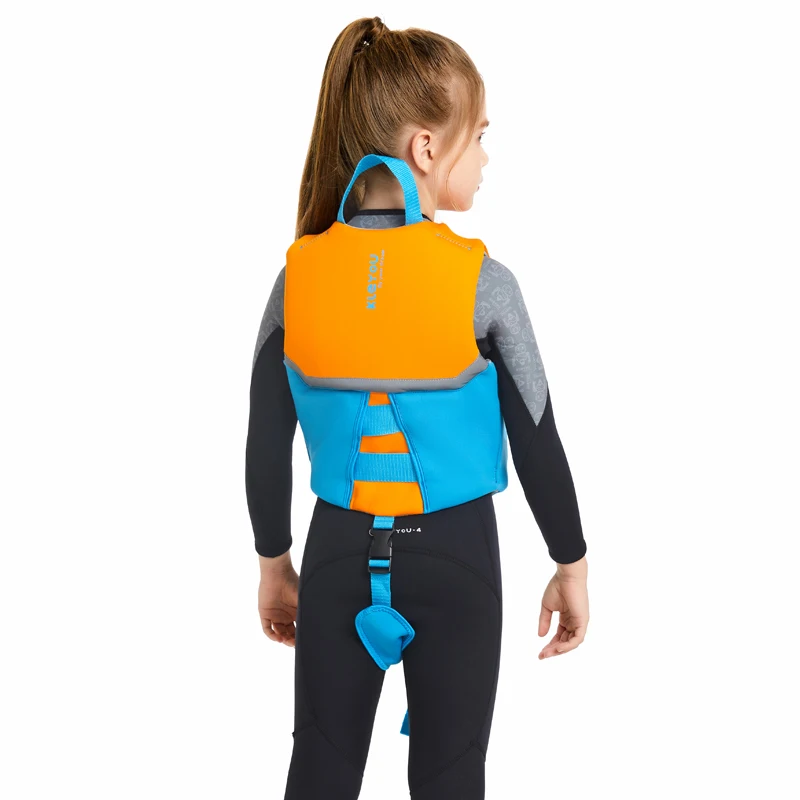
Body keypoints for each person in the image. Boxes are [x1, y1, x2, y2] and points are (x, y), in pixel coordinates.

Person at [245, 16, 589, 800]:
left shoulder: (297, 277)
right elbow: (538, 438)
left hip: (335, 556)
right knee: (449, 776)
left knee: (320, 771)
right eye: (481, 136)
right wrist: (569, 562)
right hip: (457, 558)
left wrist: (274, 564)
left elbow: (265, 440)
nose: (487, 158)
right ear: (427, 148)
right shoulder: (483, 282)